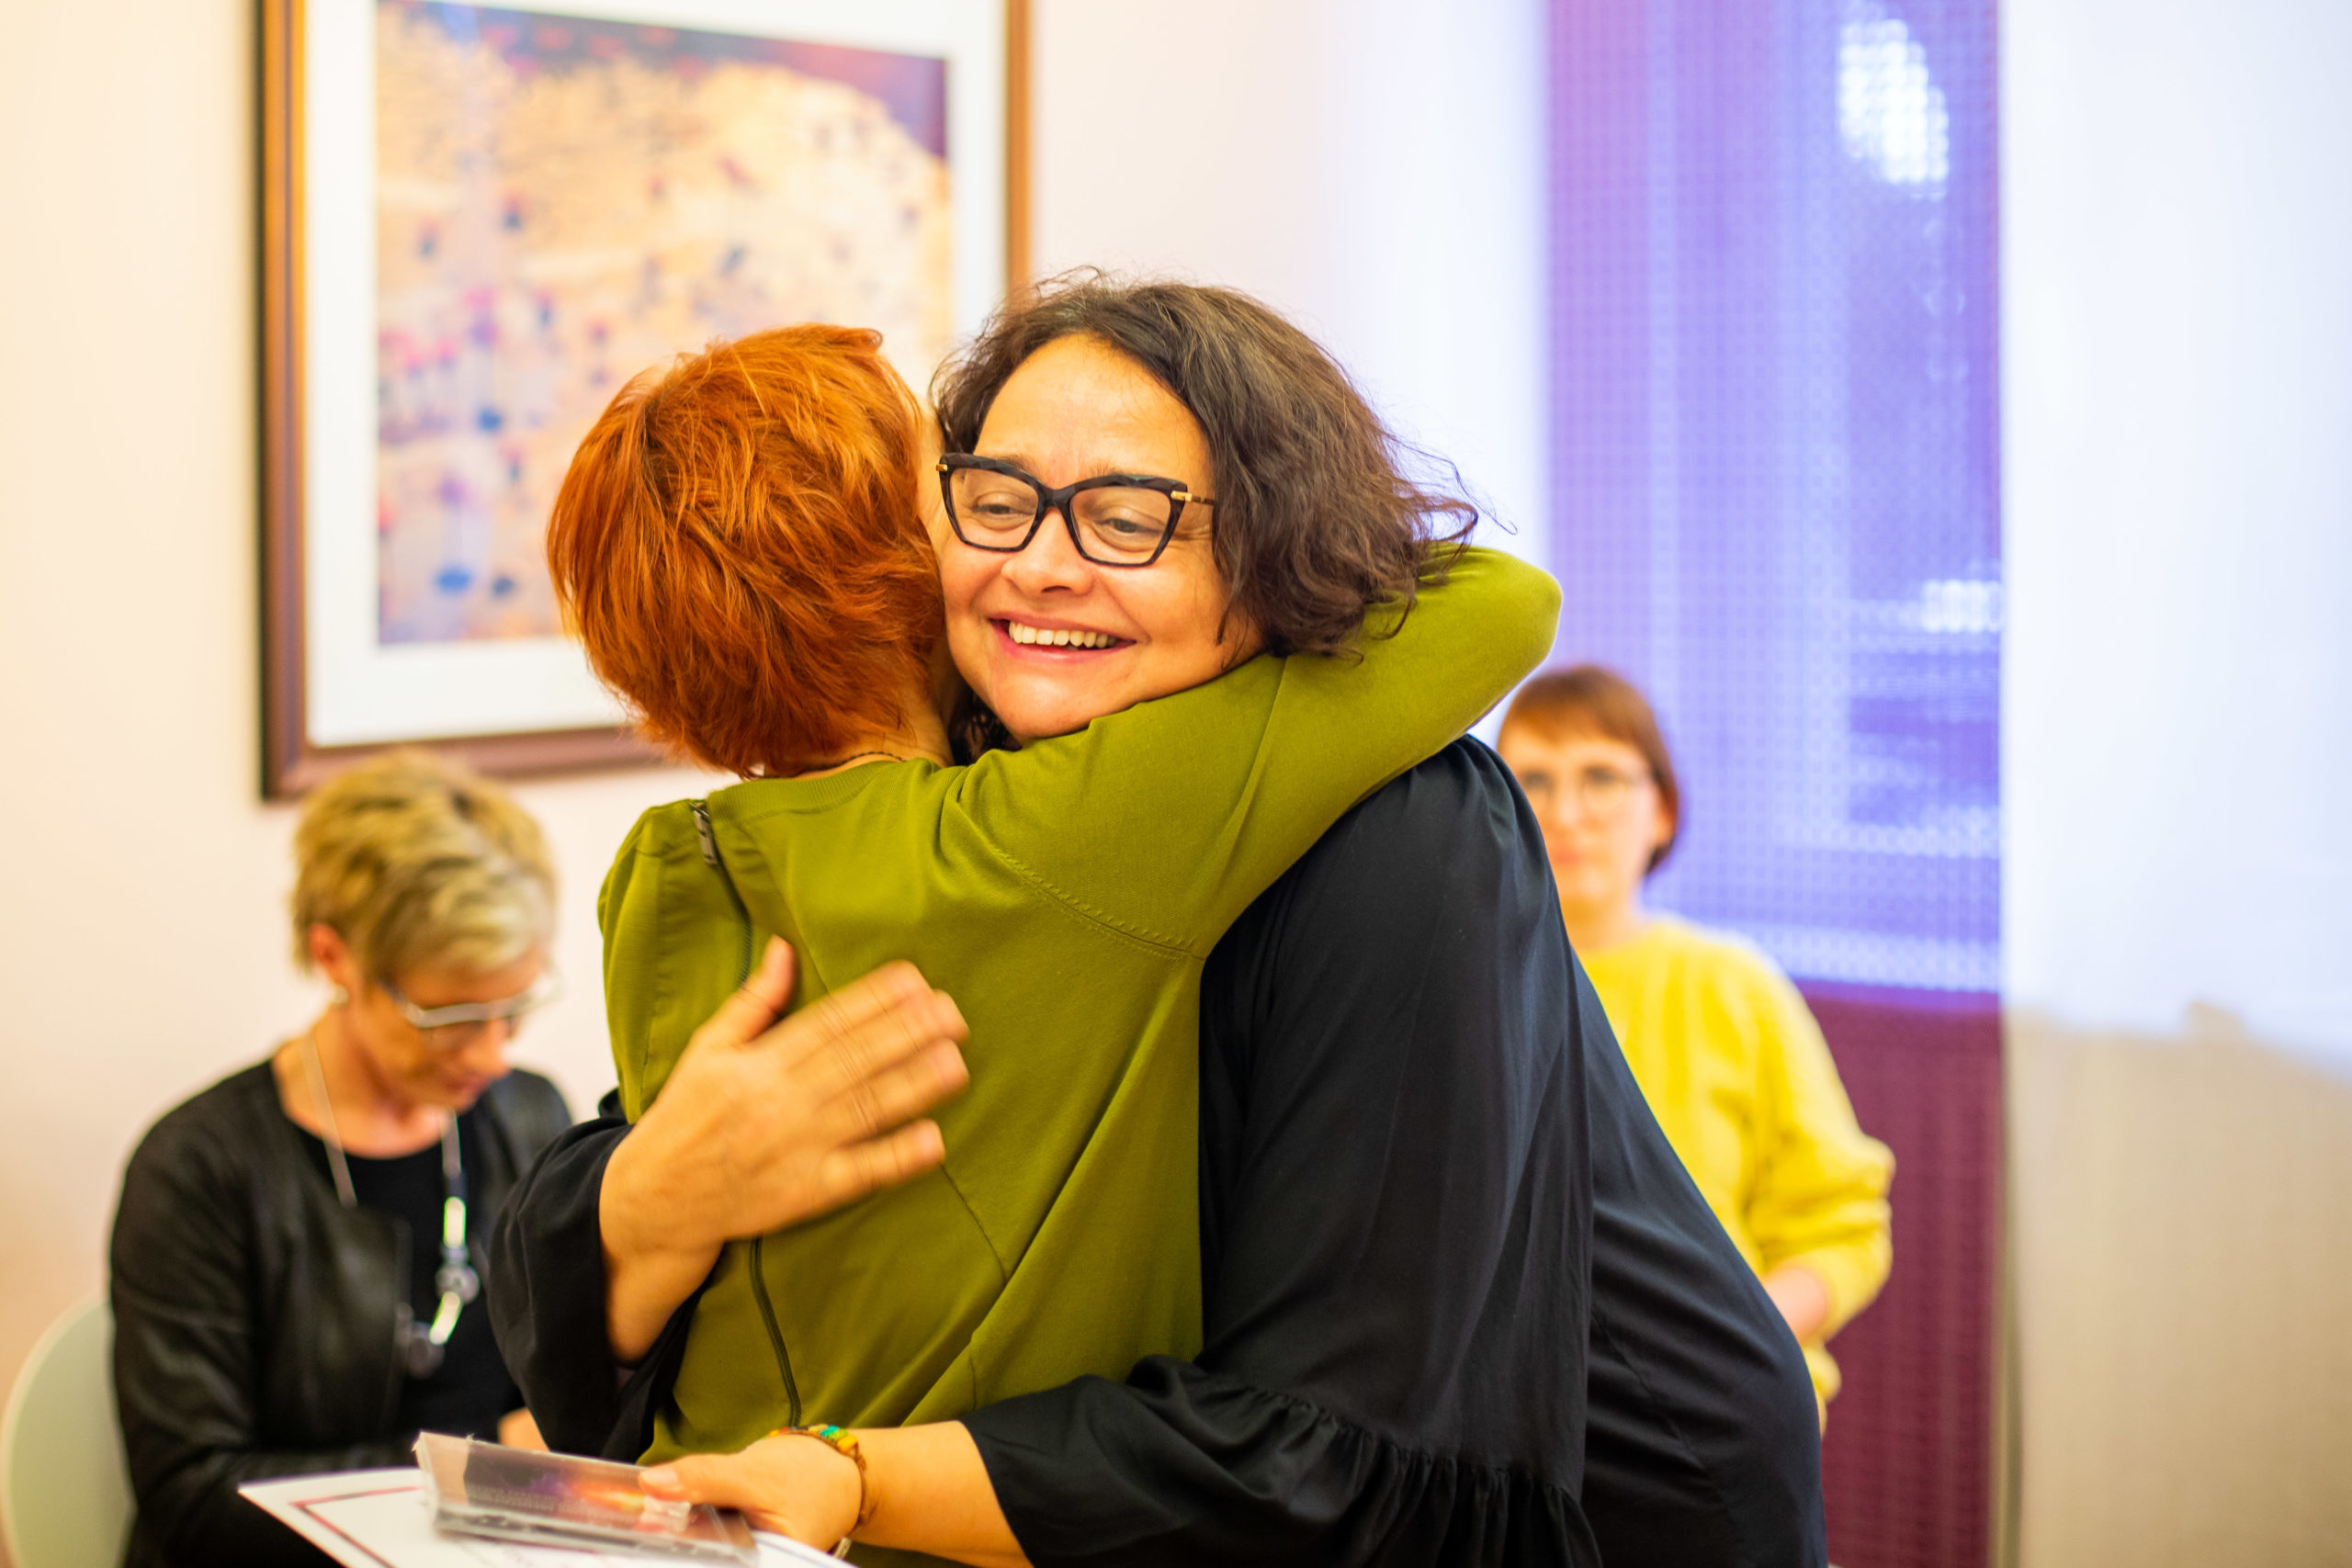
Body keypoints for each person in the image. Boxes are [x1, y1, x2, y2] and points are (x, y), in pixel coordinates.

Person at [493, 276, 1826, 1566]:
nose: (1042, 565)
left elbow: (1346, 1453)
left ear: (1274, 551)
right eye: (996, 501)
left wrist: (855, 1469)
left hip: (1599, 1500)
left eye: (1128, 518)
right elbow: (658, 1160)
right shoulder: (984, 786)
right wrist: (643, 1199)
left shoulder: (1402, 826)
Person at [108, 750, 571, 1567]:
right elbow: (193, 1498)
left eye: (513, 1008)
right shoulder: (200, 1170)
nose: (493, 1053)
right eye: (452, 1017)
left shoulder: (529, 1118)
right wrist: (484, 1466)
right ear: (335, 958)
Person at [1497, 665, 1894, 1421]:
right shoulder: (1465, 992)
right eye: (1534, 780)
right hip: (1524, 1420)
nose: (1567, 812)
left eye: (1601, 777)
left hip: (1723, 1412)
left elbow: (1841, 1226)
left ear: (1663, 810)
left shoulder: (1737, 987)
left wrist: (1729, 1350)